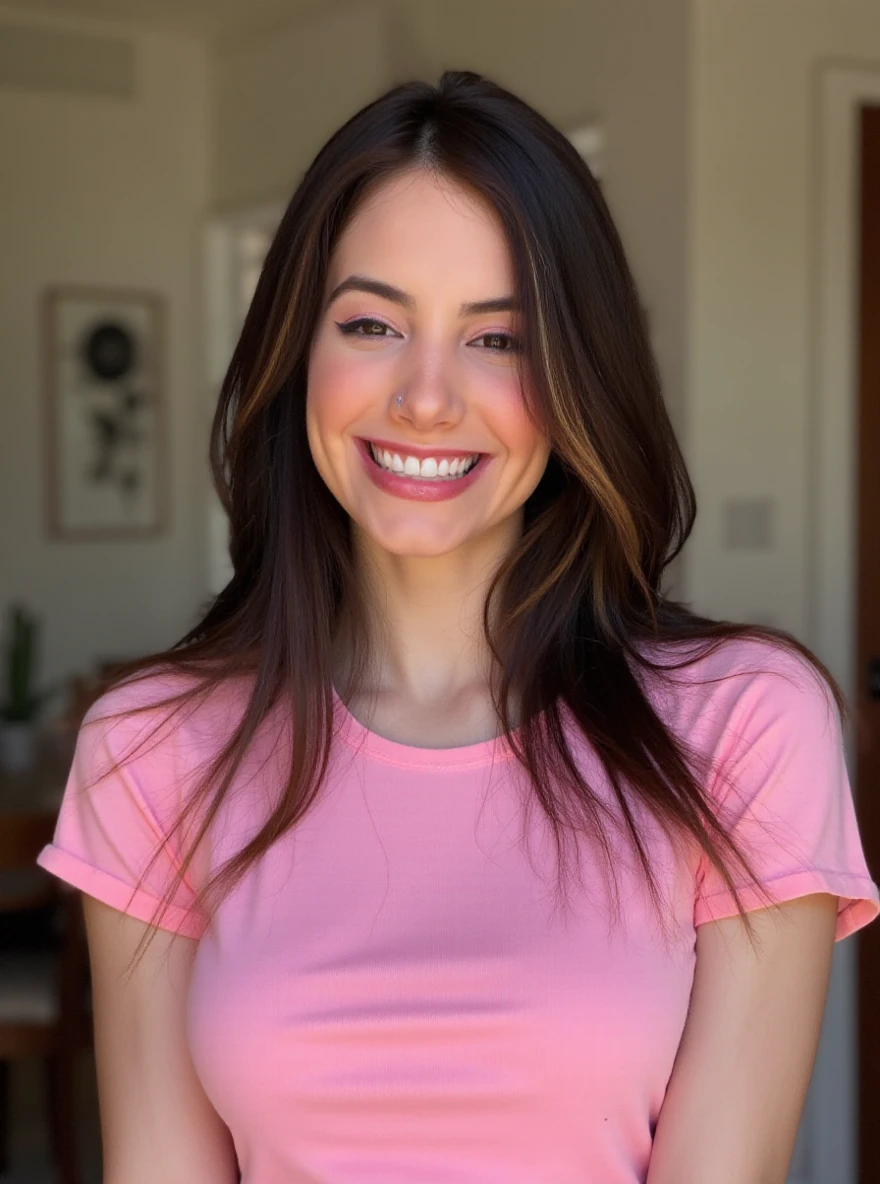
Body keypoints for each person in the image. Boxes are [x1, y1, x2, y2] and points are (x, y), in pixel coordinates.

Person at [37, 70, 879, 1184]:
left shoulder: (739, 724)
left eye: (497, 338)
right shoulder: (152, 746)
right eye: (373, 323)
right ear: (298, 353)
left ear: (580, 373)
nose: (426, 397)